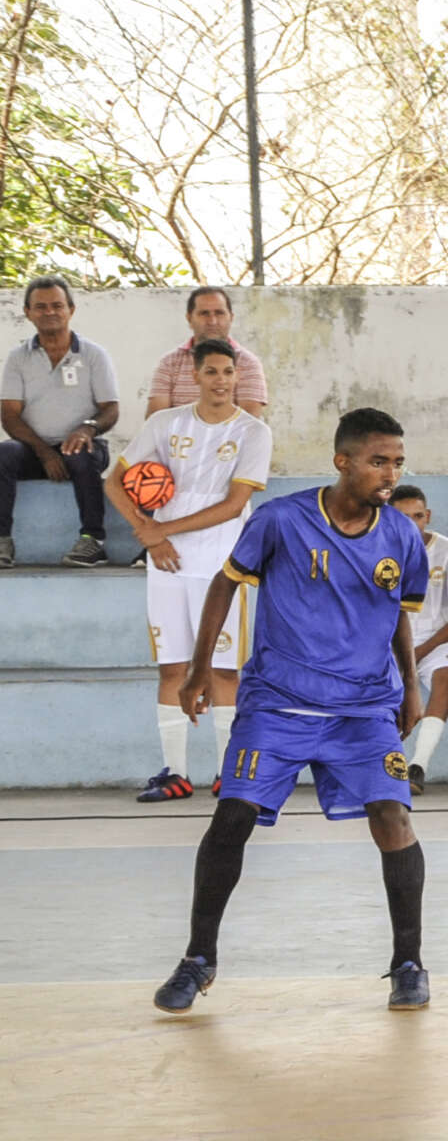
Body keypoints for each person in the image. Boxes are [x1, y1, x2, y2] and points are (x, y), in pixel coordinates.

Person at [148, 408, 432, 1016]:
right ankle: (198, 960)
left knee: (393, 816)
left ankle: (408, 964)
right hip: (279, 701)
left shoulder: (402, 536)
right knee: (232, 818)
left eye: (398, 462)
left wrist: (410, 686)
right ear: (344, 462)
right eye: (379, 461)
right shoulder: (281, 518)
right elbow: (225, 583)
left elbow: (399, 615)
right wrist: (201, 669)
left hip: (363, 708)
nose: (390, 473)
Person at [106, 338, 272, 801]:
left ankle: (227, 773)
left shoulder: (253, 431)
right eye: (211, 372)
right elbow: (113, 482)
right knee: (172, 667)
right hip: (166, 564)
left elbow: (235, 504)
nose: (220, 380)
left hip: (222, 565)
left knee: (223, 669)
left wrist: (163, 530)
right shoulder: (165, 423)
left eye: (227, 372)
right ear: (195, 376)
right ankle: (175, 772)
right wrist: (147, 531)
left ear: (238, 377)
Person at [0, 276, 119, 568]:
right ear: (27, 312)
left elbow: (110, 409)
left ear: (71, 310)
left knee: (79, 450)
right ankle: (2, 541)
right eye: (41, 307)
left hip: (85, 450)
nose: (49, 312)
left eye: (57, 305)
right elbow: (9, 415)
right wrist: (44, 452)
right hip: (35, 452)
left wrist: (86, 427)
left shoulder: (93, 355)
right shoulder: (18, 358)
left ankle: (93, 541)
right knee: (4, 453)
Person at [388, 484, 448, 793]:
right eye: (403, 517)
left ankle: (418, 767)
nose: (412, 524)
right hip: (389, 640)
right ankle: (383, 765)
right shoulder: (376, 550)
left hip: (440, 641)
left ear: (428, 516)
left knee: (444, 678)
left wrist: (418, 652)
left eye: (418, 516)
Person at [144, 286, 270, 418]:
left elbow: (249, 422)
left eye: (219, 313)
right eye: (204, 313)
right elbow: (156, 419)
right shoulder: (170, 363)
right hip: (178, 439)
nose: (212, 321)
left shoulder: (248, 363)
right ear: (189, 318)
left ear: (231, 317)